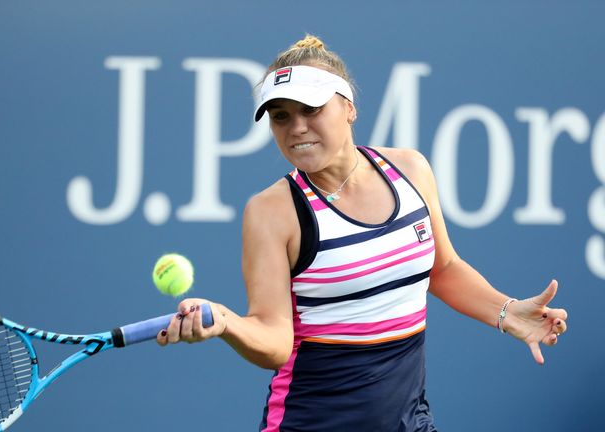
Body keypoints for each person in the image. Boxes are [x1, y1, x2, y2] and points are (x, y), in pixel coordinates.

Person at [156, 35, 568, 431]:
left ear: (349, 107)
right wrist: (227, 322)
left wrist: (506, 312)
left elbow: (441, 269)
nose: (296, 127)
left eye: (311, 109)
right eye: (281, 116)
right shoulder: (271, 212)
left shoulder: (411, 170)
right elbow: (276, 341)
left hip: (410, 422)